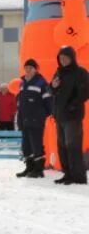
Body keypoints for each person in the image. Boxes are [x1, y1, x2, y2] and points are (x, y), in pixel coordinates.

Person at [51, 45, 88, 184]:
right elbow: (52, 91)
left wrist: (73, 105)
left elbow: (84, 92)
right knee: (62, 147)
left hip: (73, 116)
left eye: (65, 57)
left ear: (72, 57)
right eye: (60, 58)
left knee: (73, 146)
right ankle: (67, 174)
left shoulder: (81, 72)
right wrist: (53, 86)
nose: (63, 60)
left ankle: (78, 176)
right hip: (60, 116)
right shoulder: (58, 72)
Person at [16, 59, 52, 178]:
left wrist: (41, 115)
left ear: (35, 69)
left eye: (30, 68)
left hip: (36, 121)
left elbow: (49, 103)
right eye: (26, 68)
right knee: (26, 146)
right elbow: (20, 104)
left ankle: (38, 170)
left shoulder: (41, 83)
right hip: (24, 120)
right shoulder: (22, 83)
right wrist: (19, 119)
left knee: (36, 145)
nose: (28, 71)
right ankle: (29, 167)